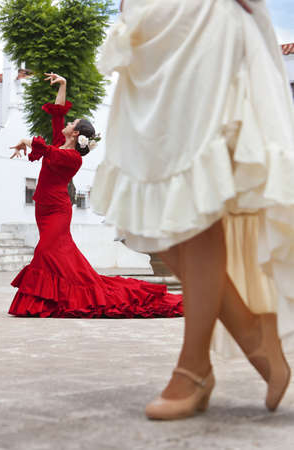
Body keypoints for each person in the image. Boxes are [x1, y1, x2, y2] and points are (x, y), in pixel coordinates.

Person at [90, 0, 294, 420]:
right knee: (150, 204)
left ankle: (194, 366)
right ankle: (252, 330)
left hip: (200, 17)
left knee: (193, 188)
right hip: (148, 22)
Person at [8, 73, 182, 319]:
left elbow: (45, 151)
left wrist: (25, 140)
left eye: (72, 122)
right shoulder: (60, 141)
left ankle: (42, 301)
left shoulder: (72, 158)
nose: (67, 123)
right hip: (43, 208)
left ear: (76, 132)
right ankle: (51, 299)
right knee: (59, 256)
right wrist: (64, 84)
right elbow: (58, 113)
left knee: (46, 251)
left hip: (58, 211)